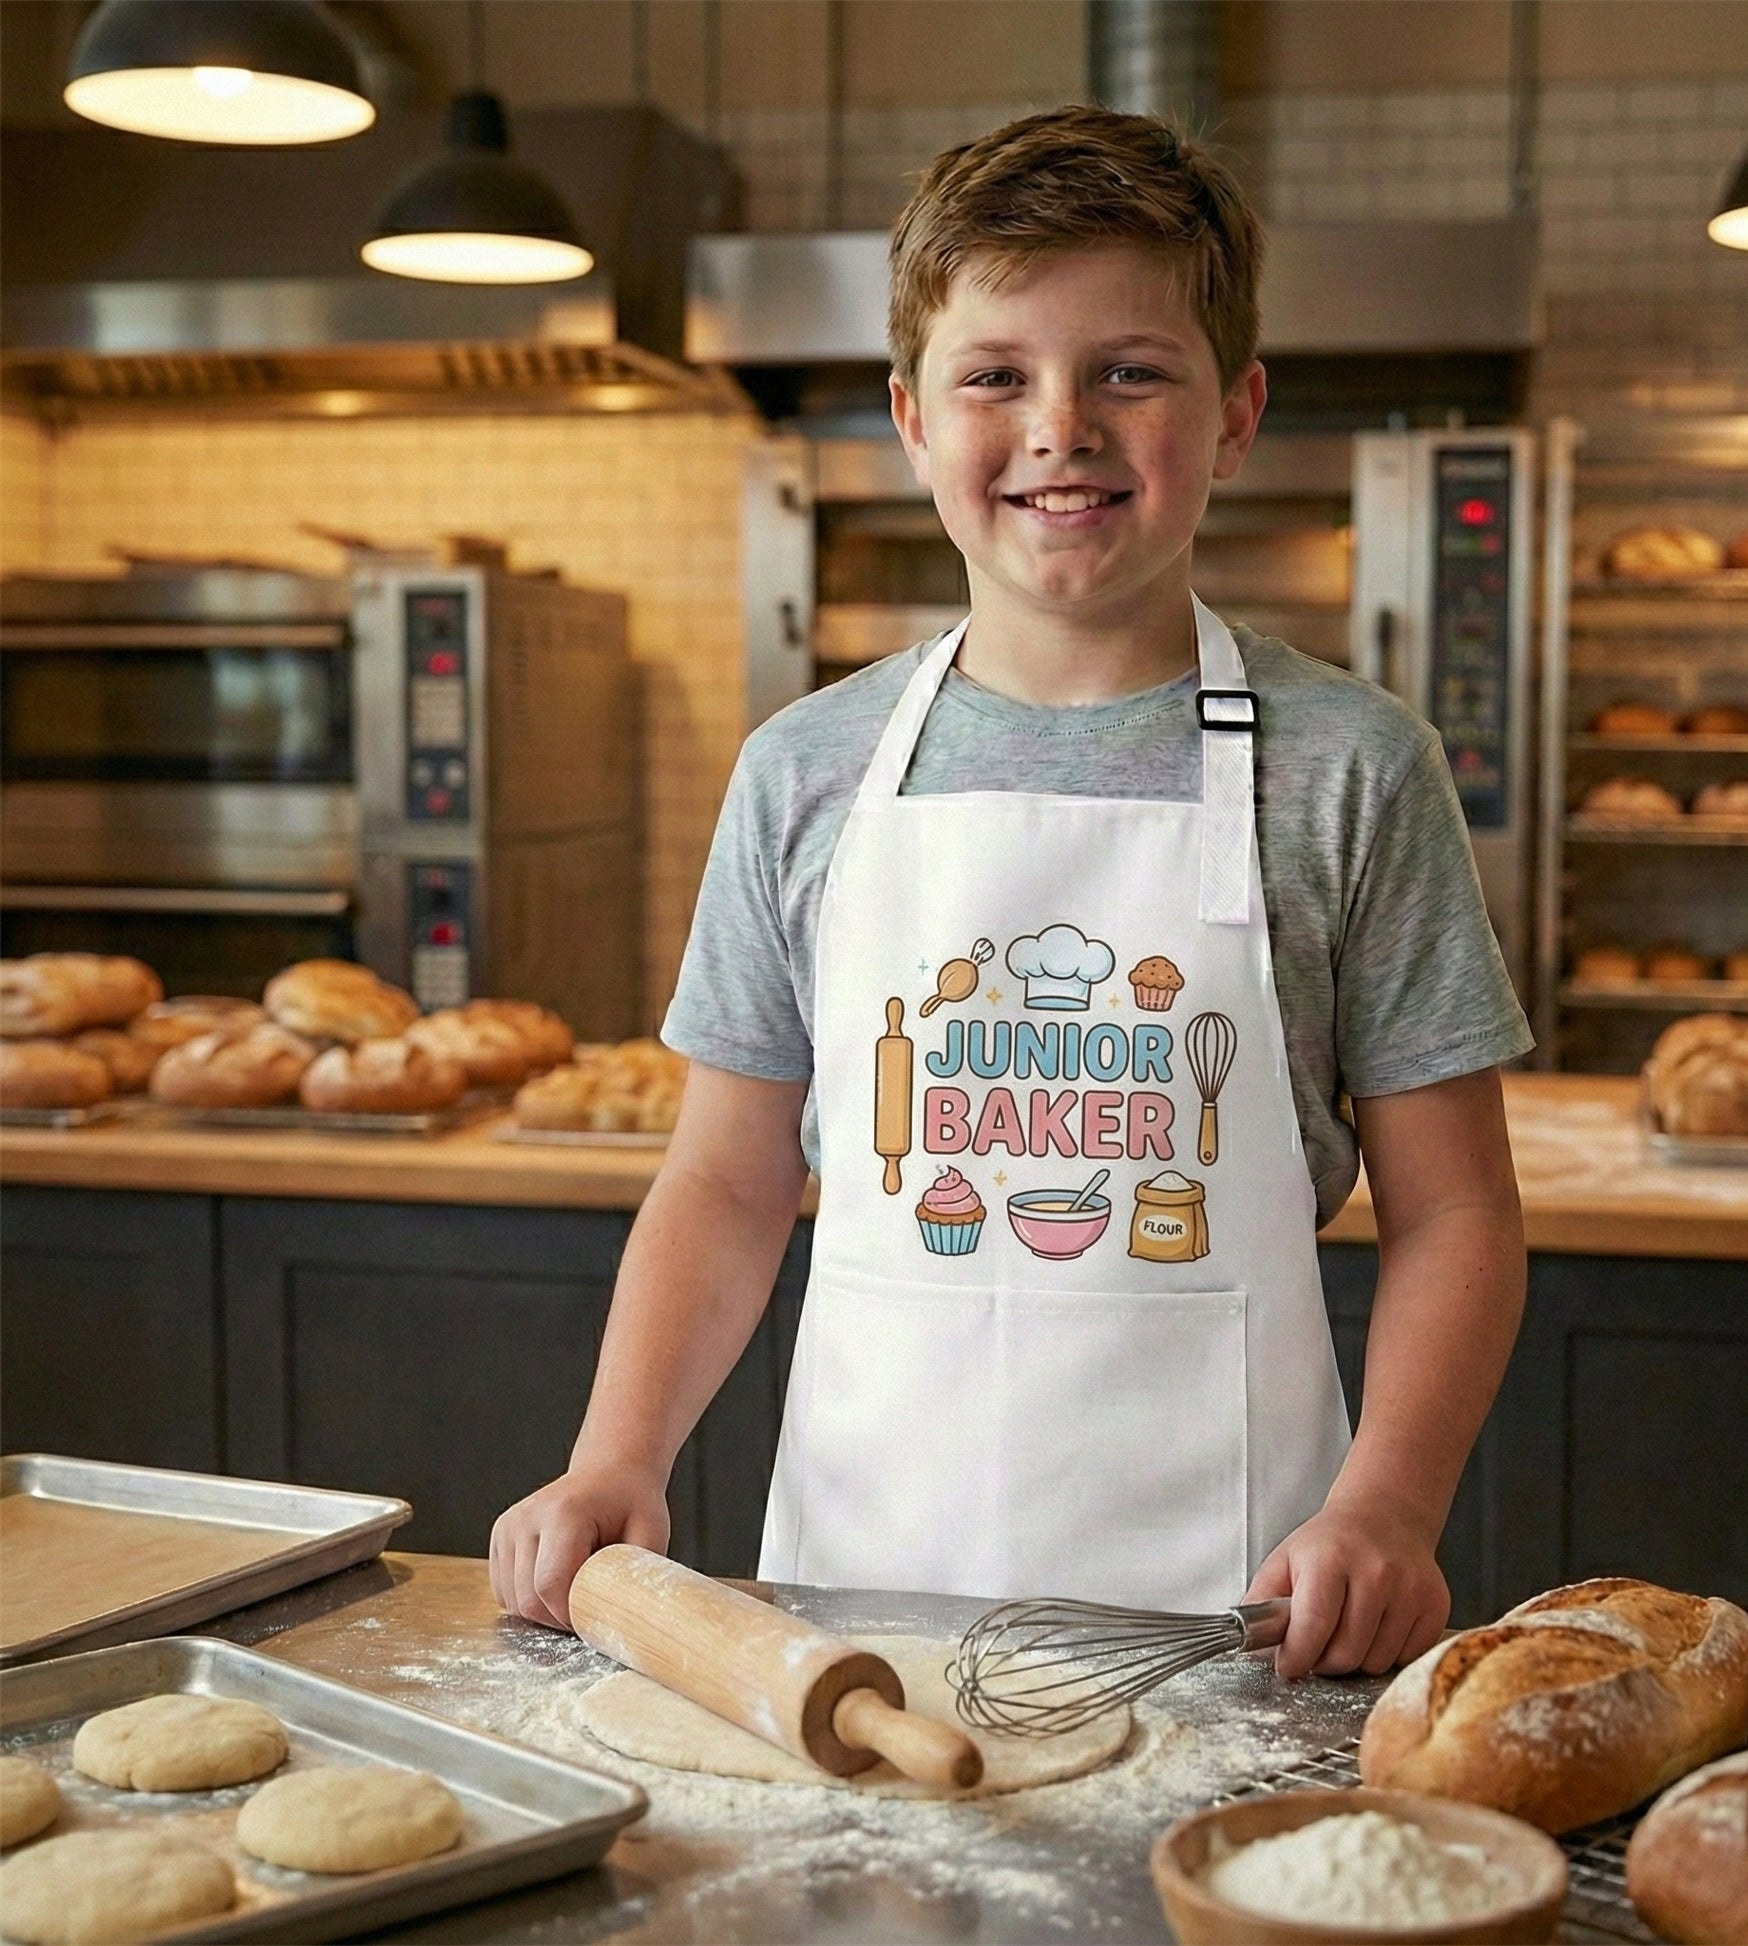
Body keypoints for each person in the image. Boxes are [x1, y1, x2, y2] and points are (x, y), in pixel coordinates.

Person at [491, 105, 1531, 1681]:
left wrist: (1387, 1503)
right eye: (995, 377)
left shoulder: (1351, 770)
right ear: (912, 422)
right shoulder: (805, 771)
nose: (1061, 426)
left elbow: (1453, 1211)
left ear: (1234, 415)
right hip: (853, 1612)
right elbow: (723, 1180)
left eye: (1131, 371)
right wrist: (613, 1452)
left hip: (1233, 1612)